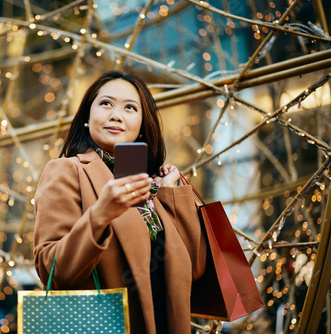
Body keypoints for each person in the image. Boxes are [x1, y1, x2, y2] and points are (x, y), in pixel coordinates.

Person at [33, 70, 206, 333]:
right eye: (106, 103)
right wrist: (100, 214)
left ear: (141, 125)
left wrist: (168, 194)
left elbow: (194, 270)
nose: (116, 114)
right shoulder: (66, 171)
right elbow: (52, 270)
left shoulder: (148, 189)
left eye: (130, 108)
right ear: (87, 119)